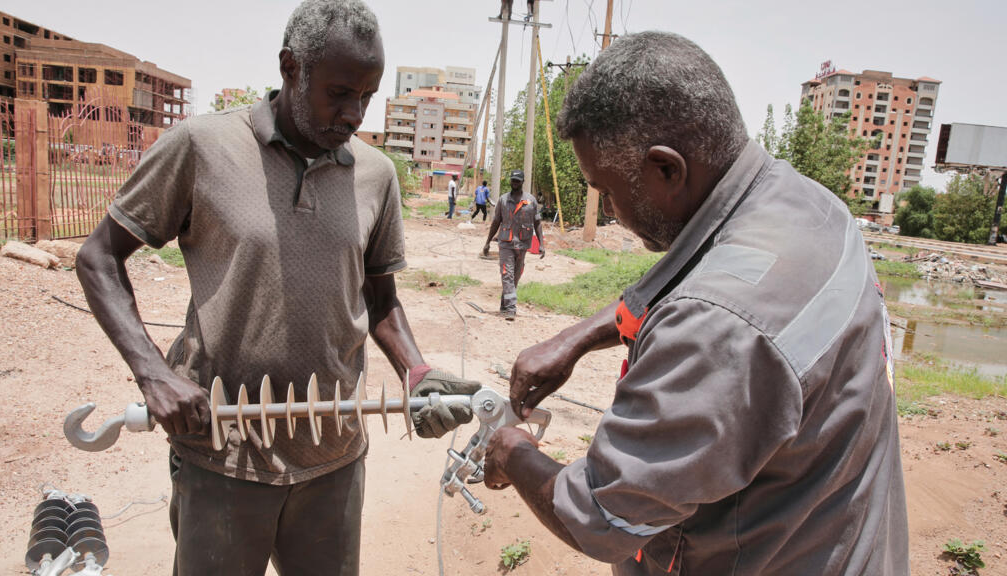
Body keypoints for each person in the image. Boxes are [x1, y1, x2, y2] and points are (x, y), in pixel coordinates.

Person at [74, 2, 479, 575]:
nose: (355, 112)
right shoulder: (201, 146)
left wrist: (416, 371)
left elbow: (380, 297)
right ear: (291, 68)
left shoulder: (375, 174)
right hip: (221, 454)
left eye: (368, 94)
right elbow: (98, 259)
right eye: (339, 92)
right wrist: (154, 374)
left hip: (334, 452)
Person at [483, 31, 909, 575]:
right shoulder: (811, 206)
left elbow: (601, 515)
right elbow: (696, 278)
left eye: (607, 191)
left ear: (667, 169)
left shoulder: (716, 324)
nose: (611, 212)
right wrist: (578, 338)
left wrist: (512, 453)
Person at [483, 169, 544, 320]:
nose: (514, 183)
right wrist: (487, 242)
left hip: (523, 245)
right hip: (506, 244)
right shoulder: (503, 200)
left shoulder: (531, 201)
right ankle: (511, 308)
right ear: (510, 181)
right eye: (513, 180)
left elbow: (537, 223)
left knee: (515, 276)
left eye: (517, 181)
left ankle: (505, 304)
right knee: (507, 274)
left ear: (522, 182)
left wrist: (542, 244)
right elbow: (496, 222)